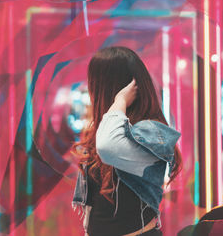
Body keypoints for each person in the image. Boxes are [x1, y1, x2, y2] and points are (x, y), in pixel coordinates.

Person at [72, 46, 182, 236]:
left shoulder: (150, 132)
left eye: (95, 83)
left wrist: (120, 100)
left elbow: (108, 148)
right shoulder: (106, 129)